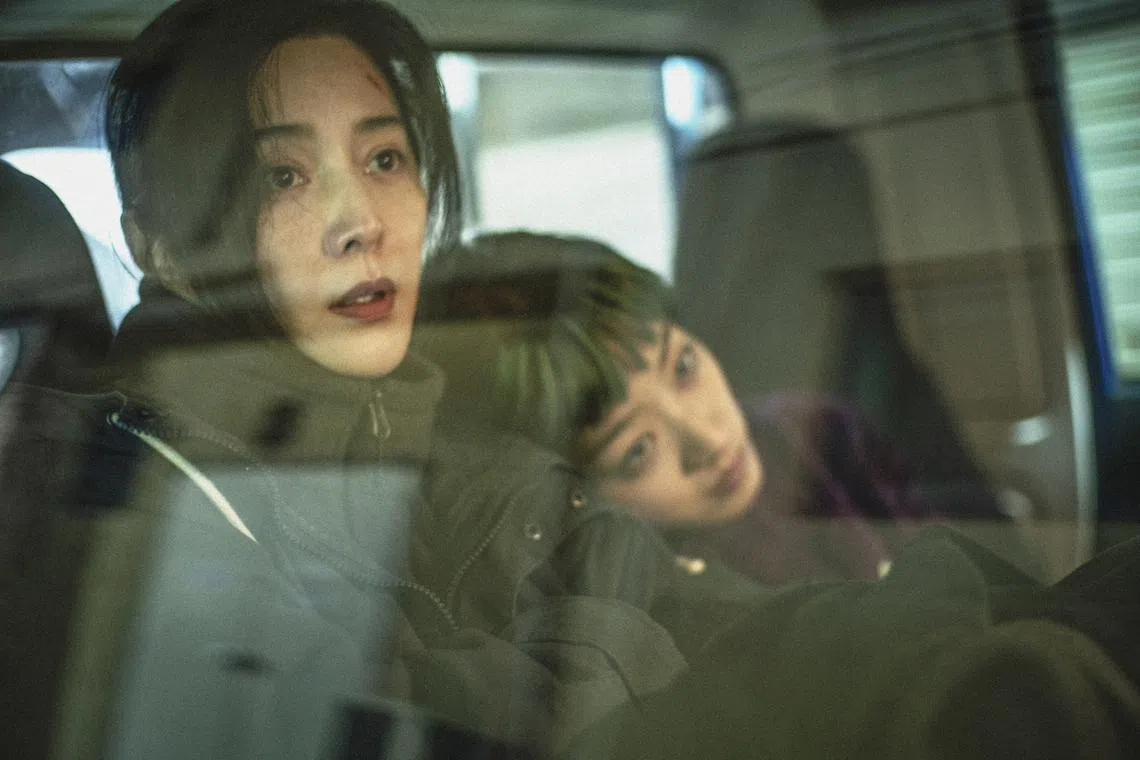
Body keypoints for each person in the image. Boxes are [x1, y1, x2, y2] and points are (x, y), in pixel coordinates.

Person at [0, 3, 762, 758]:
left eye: (385, 159)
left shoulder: (438, 442)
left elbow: (711, 612)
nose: (361, 221)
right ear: (160, 249)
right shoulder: (81, 475)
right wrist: (625, 649)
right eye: (283, 176)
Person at [417, 231, 976, 584]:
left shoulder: (820, 435)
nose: (709, 440)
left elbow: (960, 575)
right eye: (637, 451)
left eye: (683, 367)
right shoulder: (638, 608)